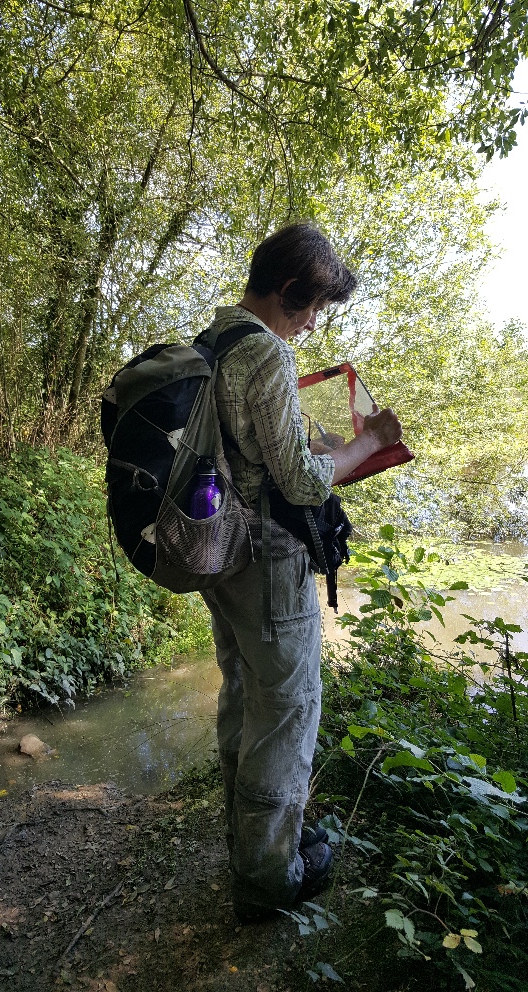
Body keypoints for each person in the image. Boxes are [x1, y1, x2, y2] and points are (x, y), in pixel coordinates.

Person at [199, 223, 402, 922]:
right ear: (288, 289)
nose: (315, 321)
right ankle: (266, 879)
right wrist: (365, 445)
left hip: (219, 555)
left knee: (243, 698)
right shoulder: (268, 356)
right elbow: (305, 480)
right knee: (287, 714)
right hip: (268, 561)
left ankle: (252, 839)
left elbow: (250, 452)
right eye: (313, 305)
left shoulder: (215, 340)